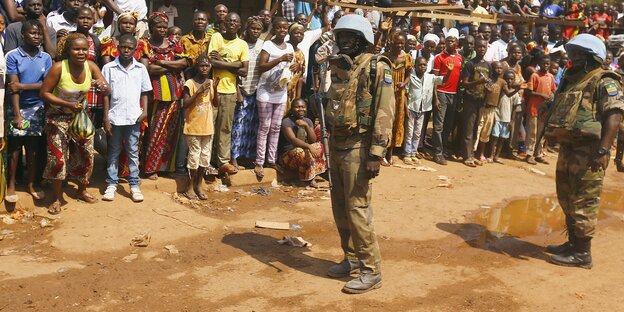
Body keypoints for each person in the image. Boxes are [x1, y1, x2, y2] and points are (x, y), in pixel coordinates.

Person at [324, 14, 394, 294]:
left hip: (359, 145)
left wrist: (376, 152)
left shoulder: (378, 66)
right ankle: (351, 258)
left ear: (363, 39)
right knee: (340, 207)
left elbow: (385, 110)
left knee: (357, 209)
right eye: (341, 37)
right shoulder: (341, 66)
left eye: (350, 37)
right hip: (337, 143)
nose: (343, 41)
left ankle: (371, 270)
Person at [543, 34, 624, 269]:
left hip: (589, 151)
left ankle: (582, 254)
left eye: (579, 53)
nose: (573, 57)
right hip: (569, 147)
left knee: (585, 199)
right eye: (573, 52)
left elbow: (614, 116)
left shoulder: (605, 80)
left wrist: (602, 150)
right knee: (567, 196)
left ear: (592, 57)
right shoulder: (574, 80)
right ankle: (572, 244)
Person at [40, 33, 110, 214]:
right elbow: (44, 93)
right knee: (58, 158)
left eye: (84, 49)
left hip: (80, 119)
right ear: (68, 51)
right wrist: (67, 104)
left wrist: (102, 85)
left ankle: (81, 190)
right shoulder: (58, 68)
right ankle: (56, 198)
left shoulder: (91, 66)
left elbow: (107, 87)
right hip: (57, 118)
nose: (81, 52)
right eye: (76, 49)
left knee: (86, 155)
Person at [4, 19, 51, 203]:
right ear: (23, 34)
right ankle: (12, 185)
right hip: (18, 108)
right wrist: (17, 114)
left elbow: (46, 85)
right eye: (32, 33)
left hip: (37, 108)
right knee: (15, 148)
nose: (36, 36)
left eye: (39, 33)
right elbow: (13, 88)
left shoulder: (45, 57)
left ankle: (31, 184)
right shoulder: (13, 56)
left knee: (33, 148)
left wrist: (24, 85)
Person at [138, 12, 188, 179]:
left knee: (171, 131)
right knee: (155, 130)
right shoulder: (144, 44)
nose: (162, 30)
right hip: (156, 93)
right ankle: (150, 168)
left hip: (176, 92)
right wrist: (173, 66)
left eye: (164, 27)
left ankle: (167, 167)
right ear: (151, 28)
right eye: (158, 26)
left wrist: (162, 62)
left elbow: (184, 63)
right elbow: (148, 69)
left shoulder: (174, 42)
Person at [101, 34, 150, 202]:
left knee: (132, 152)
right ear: (118, 47)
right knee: (113, 151)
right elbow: (105, 95)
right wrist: (106, 118)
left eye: (130, 48)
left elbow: (145, 91)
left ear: (135, 50)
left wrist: (144, 112)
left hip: (134, 118)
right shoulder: (108, 68)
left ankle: (134, 185)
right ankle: (111, 184)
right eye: (123, 47)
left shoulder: (140, 69)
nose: (126, 50)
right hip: (115, 117)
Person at [207, 12, 248, 175]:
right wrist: (235, 64)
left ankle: (222, 162)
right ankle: (207, 162)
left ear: (239, 25)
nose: (231, 23)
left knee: (225, 128)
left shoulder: (242, 44)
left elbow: (244, 71)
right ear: (225, 23)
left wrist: (222, 62)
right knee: (209, 128)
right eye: (229, 20)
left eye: (235, 21)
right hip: (213, 90)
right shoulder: (217, 37)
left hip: (230, 91)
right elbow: (211, 63)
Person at [254, 17, 292, 179]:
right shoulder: (268, 45)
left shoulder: (289, 46)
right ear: (274, 29)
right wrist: (279, 59)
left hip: (281, 92)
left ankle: (271, 160)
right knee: (265, 127)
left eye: (285, 28)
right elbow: (261, 67)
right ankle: (259, 162)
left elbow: (289, 68)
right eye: (279, 28)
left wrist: (294, 66)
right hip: (265, 91)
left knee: (276, 127)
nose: (282, 30)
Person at [181, 56, 217, 200]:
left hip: (207, 127)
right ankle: (190, 186)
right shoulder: (190, 83)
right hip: (193, 126)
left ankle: (198, 185)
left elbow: (216, 104)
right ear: (196, 67)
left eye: (207, 66)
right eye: (202, 66)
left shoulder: (211, 82)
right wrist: (198, 91)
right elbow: (185, 103)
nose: (204, 68)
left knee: (205, 157)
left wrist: (217, 89)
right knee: (194, 156)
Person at [403, 57, 451, 165]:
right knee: (409, 132)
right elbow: (406, 94)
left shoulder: (430, 77)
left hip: (422, 109)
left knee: (417, 132)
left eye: (424, 65)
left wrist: (449, 71)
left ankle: (413, 153)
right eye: (420, 65)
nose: (422, 67)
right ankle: (406, 153)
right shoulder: (411, 77)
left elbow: (444, 80)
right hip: (412, 108)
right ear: (415, 66)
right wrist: (406, 108)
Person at [231, 16, 263, 168]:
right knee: (238, 125)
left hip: (256, 89)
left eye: (258, 29)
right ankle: (234, 157)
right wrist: (238, 90)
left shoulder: (263, 45)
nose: (255, 31)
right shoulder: (240, 44)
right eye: (253, 28)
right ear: (247, 29)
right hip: (242, 89)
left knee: (251, 126)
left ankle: (247, 156)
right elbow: (236, 70)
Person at [431, 28, 463, 165]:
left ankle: (443, 150)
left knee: (448, 125)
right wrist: (436, 97)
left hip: (453, 94)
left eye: (453, 41)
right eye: (448, 41)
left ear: (456, 43)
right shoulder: (439, 57)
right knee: (438, 125)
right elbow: (434, 79)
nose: (450, 43)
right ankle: (437, 153)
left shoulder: (459, 57)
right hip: (442, 93)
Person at [277, 98, 326, 185]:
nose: (301, 109)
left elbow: (313, 140)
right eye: (297, 107)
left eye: (303, 107)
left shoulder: (308, 121)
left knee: (320, 146)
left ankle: (313, 175)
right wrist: (309, 147)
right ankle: (305, 179)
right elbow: (293, 140)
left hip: (304, 151)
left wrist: (306, 126)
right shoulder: (286, 122)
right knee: (300, 151)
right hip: (287, 156)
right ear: (292, 109)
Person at [382, 32, 412, 165]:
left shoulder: (407, 58)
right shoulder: (386, 57)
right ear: (392, 43)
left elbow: (409, 74)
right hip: (386, 93)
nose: (399, 45)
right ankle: (382, 152)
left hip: (400, 94)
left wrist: (404, 84)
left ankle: (390, 153)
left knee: (396, 122)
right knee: (384, 121)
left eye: (402, 43)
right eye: (397, 43)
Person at [460, 38, 490, 167]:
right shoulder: (470, 64)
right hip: (470, 100)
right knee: (468, 128)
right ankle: (467, 156)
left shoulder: (488, 65)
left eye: (484, 47)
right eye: (479, 47)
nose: (481, 49)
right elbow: (464, 83)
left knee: (476, 128)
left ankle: (471, 154)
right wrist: (478, 82)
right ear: (475, 48)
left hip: (481, 101)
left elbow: (490, 82)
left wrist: (488, 88)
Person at [525, 55, 556, 165]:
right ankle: (529, 154)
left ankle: (538, 154)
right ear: (539, 64)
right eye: (544, 63)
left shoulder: (550, 77)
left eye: (548, 64)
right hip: (534, 107)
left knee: (541, 133)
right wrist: (541, 95)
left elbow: (553, 90)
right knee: (532, 132)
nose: (546, 65)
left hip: (545, 109)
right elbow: (529, 91)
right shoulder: (535, 75)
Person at [489, 70, 522, 164]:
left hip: (506, 119)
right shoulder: (502, 90)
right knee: (494, 137)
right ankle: (491, 155)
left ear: (514, 80)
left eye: (511, 79)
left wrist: (512, 120)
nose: (509, 81)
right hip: (497, 116)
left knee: (502, 139)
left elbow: (516, 107)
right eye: (507, 79)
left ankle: (496, 156)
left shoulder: (515, 94)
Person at [285, 22, 305, 112]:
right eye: (296, 33)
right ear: (290, 33)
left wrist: (298, 97)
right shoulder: (283, 48)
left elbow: (300, 77)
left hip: (292, 94)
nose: (299, 35)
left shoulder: (300, 54)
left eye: (301, 34)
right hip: (279, 92)